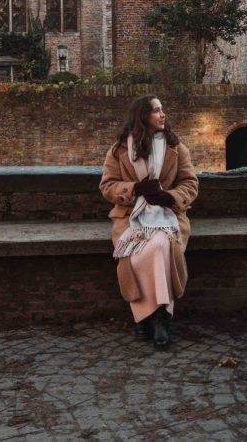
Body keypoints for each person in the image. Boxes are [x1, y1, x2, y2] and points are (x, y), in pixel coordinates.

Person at [99, 95, 198, 349]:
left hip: (168, 217)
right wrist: (136, 189)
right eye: (156, 111)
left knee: (161, 247)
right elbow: (107, 186)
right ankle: (143, 315)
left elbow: (190, 184)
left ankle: (162, 317)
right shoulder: (119, 150)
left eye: (163, 109)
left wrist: (168, 197)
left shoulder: (176, 148)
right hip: (131, 218)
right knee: (135, 255)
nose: (163, 114)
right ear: (142, 116)